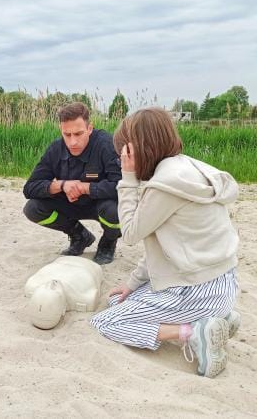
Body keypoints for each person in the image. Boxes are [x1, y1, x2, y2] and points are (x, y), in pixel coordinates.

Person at [89, 107, 240, 378]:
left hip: (197, 290)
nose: (122, 159)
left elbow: (130, 233)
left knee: (106, 322)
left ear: (136, 149)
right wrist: (132, 284)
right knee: (117, 302)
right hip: (222, 283)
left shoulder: (164, 185)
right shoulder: (187, 168)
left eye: (124, 152)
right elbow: (161, 244)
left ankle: (193, 331)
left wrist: (128, 179)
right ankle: (220, 318)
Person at [23, 102, 122, 265]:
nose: (72, 142)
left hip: (101, 204)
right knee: (32, 208)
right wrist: (62, 185)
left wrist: (86, 188)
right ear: (61, 130)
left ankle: (108, 243)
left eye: (78, 134)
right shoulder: (55, 149)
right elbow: (29, 188)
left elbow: (121, 186)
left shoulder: (107, 144)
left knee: (115, 210)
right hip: (70, 203)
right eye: (67, 134)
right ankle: (79, 235)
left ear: (90, 128)